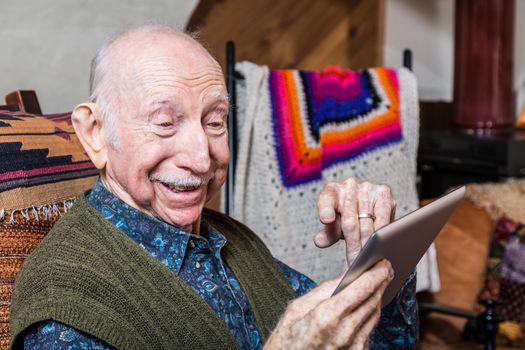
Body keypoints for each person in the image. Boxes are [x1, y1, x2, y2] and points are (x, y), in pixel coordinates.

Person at [10, 25, 418, 349]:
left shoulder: (231, 239)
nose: (202, 159)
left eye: (214, 122)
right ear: (96, 133)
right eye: (165, 123)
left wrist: (375, 258)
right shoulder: (65, 310)